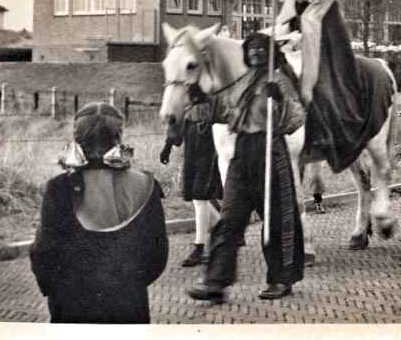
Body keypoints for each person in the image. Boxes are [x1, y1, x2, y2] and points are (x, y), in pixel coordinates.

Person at [186, 32, 306, 302]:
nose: (255, 54)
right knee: (229, 219)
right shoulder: (240, 84)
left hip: (271, 153)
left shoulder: (280, 83)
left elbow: (295, 120)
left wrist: (280, 103)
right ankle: (215, 281)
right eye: (250, 49)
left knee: (277, 219)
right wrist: (199, 99)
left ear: (270, 53)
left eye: (261, 49)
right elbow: (221, 110)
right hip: (243, 154)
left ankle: (281, 279)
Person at [30, 102, 168, 323]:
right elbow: (157, 254)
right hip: (128, 303)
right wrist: (131, 284)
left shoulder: (58, 187)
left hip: (71, 303)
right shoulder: (146, 184)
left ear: (77, 136)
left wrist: (55, 292)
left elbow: (43, 252)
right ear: (119, 136)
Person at [160, 83, 223, 267]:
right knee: (198, 196)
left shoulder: (211, 79)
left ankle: (314, 209)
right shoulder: (185, 88)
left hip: (210, 145)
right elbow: (176, 118)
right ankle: (226, 229)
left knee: (200, 196)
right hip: (193, 144)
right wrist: (168, 145)